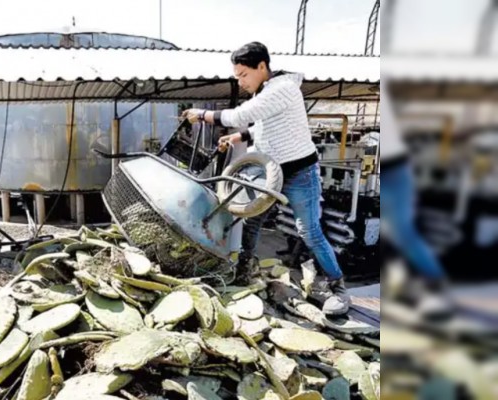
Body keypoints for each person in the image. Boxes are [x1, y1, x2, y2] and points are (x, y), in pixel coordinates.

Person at [181, 41, 350, 315]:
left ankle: (337, 286)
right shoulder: (265, 90)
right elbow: (262, 124)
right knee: (251, 219)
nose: (240, 81)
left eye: (243, 75)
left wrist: (202, 115)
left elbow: (242, 114)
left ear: (262, 66)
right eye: (237, 76)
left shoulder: (282, 88)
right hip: (269, 169)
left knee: (309, 230)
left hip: (299, 172)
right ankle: (244, 269)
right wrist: (240, 136)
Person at [379, 79, 454, 320]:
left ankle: (437, 290)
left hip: (396, 171)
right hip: (393, 170)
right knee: (394, 235)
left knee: (403, 233)